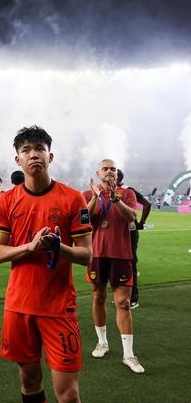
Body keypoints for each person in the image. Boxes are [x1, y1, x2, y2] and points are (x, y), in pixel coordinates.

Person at [0, 126, 93, 403]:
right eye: (26, 150)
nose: (33, 154)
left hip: (58, 307)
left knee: (68, 393)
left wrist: (57, 247)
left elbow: (86, 255)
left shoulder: (73, 198)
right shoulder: (6, 200)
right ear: (18, 160)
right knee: (29, 379)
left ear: (51, 156)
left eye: (40, 149)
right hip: (19, 306)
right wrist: (31, 246)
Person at [84, 159, 145, 374]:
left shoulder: (126, 193)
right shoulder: (88, 194)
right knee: (98, 297)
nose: (110, 171)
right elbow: (85, 219)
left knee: (123, 303)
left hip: (121, 255)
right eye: (105, 168)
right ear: (98, 173)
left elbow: (131, 216)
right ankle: (102, 342)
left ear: (117, 174)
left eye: (113, 169)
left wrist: (114, 198)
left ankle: (129, 355)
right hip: (97, 254)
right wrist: (96, 197)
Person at [116, 169, 151, 309]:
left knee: (130, 263)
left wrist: (141, 223)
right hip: (116, 233)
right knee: (118, 263)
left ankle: (133, 298)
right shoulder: (109, 191)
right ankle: (123, 295)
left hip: (129, 232)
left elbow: (147, 204)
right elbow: (147, 204)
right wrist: (141, 223)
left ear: (117, 178)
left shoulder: (128, 191)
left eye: (111, 174)